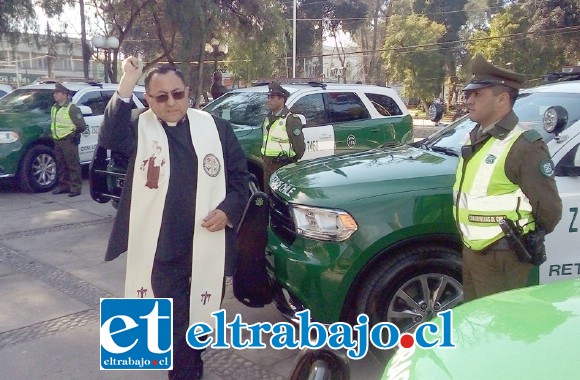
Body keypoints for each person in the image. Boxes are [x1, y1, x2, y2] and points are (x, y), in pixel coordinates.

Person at [99, 57, 249, 380]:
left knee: (198, 327)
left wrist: (227, 211)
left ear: (188, 92)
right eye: (161, 97)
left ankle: (191, 368)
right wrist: (127, 80)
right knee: (173, 330)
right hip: (162, 253)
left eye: (177, 94)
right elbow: (109, 136)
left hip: (206, 250)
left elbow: (241, 182)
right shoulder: (140, 128)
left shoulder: (217, 129)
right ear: (148, 100)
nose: (171, 102)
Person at [454, 54, 562, 302]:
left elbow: (550, 209)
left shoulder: (523, 145)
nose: (469, 100)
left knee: (500, 330)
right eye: (469, 93)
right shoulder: (478, 136)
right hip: (474, 251)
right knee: (479, 325)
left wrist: (522, 237)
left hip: (503, 255)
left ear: (502, 99)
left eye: (478, 94)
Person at [261, 81, 306, 195]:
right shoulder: (268, 118)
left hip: (283, 167)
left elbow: (299, 148)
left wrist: (289, 161)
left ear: (281, 100)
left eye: (272, 97)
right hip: (267, 166)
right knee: (268, 197)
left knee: (280, 199)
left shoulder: (291, 119)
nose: (269, 100)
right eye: (268, 97)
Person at [50, 82, 87, 197]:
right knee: (61, 165)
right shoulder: (54, 108)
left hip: (68, 141)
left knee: (73, 165)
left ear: (65, 94)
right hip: (58, 140)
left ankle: (75, 188)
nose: (55, 95)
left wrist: (73, 135)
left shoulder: (72, 109)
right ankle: (63, 185)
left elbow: (82, 126)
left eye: (58, 93)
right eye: (54, 93)